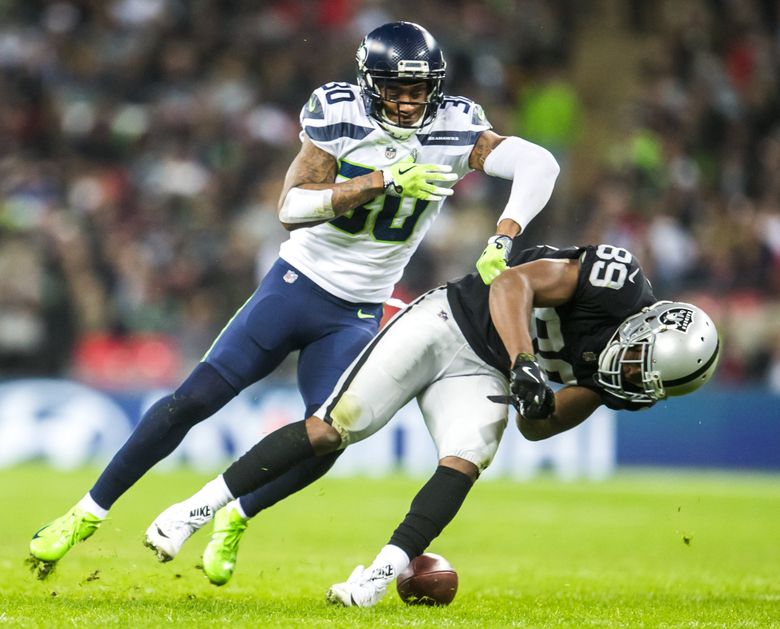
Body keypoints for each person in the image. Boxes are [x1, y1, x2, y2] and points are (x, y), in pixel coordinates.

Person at [28, 21, 560, 579]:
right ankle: (85, 513)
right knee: (194, 400)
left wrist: (504, 232)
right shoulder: (338, 112)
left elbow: (538, 164)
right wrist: (380, 180)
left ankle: (237, 513)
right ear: (368, 82)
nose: (408, 102)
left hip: (359, 309)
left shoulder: (455, 124)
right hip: (296, 285)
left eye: (419, 89)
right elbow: (292, 206)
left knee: (327, 436)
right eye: (396, 89)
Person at [148, 242, 721, 595]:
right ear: (648, 324)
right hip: (451, 320)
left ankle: (378, 575)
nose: (628, 373)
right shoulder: (612, 281)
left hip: (488, 375)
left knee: (468, 455)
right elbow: (511, 283)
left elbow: (538, 424)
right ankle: (191, 511)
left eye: (643, 379)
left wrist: (540, 401)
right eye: (638, 360)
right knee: (332, 427)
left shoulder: (628, 384)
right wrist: (526, 362)